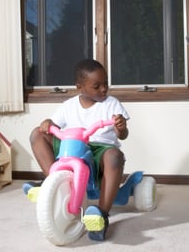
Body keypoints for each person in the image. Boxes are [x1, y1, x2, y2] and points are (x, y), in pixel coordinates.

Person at [26, 58, 129, 241]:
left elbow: (122, 136)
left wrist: (120, 127)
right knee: (37, 134)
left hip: (100, 149)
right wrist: (48, 123)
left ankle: (101, 216)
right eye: (97, 86)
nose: (103, 89)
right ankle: (52, 181)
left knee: (115, 156)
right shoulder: (69, 106)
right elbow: (53, 125)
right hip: (73, 146)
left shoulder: (111, 104)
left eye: (106, 84)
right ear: (80, 87)